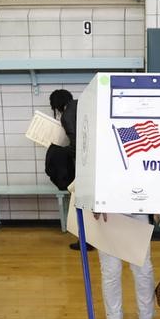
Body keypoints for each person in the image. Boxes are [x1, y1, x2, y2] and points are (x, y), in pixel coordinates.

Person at [46, 88, 94, 252]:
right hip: (98, 162)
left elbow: (79, 147)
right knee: (91, 203)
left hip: (88, 165)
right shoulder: (82, 105)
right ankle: (92, 239)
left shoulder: (67, 116)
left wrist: (59, 151)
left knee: (81, 202)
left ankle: (85, 241)